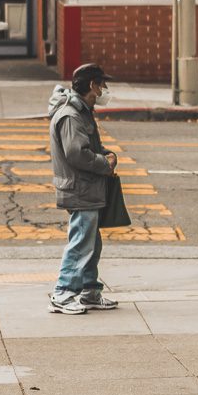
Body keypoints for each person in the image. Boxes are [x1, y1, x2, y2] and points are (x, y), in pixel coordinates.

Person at [48, 63, 119, 314]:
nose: (104, 90)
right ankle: (63, 292)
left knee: (91, 242)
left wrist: (106, 155)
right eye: (102, 84)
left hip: (87, 187)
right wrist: (104, 163)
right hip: (80, 188)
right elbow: (77, 154)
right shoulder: (71, 115)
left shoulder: (83, 111)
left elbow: (88, 146)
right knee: (81, 243)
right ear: (92, 86)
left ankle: (89, 291)